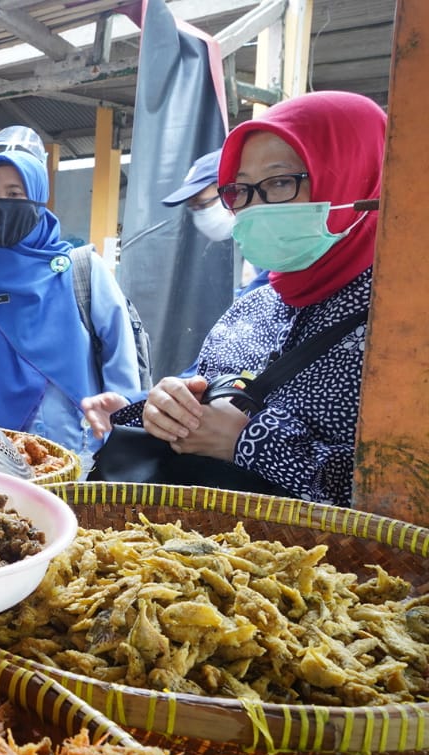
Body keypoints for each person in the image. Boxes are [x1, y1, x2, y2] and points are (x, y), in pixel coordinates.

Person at [81, 90, 384, 506]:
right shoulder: (253, 308)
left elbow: (407, 496)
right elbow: (206, 389)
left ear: (357, 176)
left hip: (337, 568)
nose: (254, 208)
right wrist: (164, 408)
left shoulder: (402, 327)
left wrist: (250, 442)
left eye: (279, 182)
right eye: (240, 190)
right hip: (200, 555)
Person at [0, 126, 142, 469]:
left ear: (38, 200)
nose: (1, 205)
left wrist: (122, 442)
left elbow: (123, 374)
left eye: (15, 194)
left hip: (84, 460)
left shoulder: (84, 271)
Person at [161, 148, 269, 299]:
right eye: (193, 208)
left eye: (202, 204)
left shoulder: (278, 246)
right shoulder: (254, 246)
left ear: (235, 191)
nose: (200, 213)